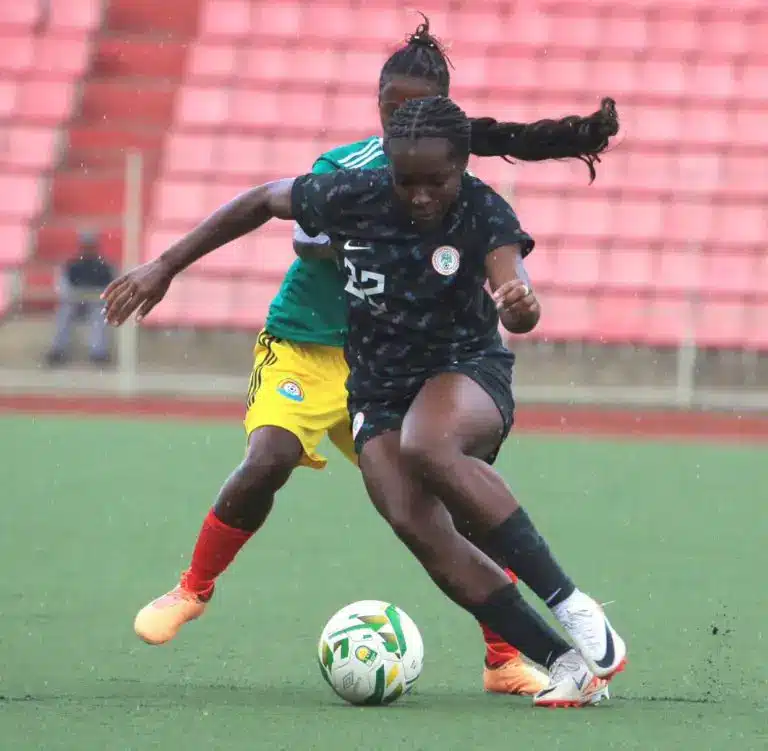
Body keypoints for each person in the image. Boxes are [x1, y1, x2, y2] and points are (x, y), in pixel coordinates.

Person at [111, 18, 616, 698]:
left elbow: (501, 265)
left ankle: (518, 652)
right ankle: (192, 587)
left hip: (403, 365)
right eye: (390, 109)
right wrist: (168, 264)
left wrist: (501, 290)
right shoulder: (352, 179)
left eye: (412, 112)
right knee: (275, 460)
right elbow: (288, 220)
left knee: (448, 498)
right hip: (311, 346)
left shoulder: (454, 189)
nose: (398, 123)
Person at [46, 230, 114, 366]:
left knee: (99, 314)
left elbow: (110, 289)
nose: (88, 248)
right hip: (75, 302)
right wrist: (76, 295)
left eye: (91, 245)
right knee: (64, 312)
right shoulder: (72, 265)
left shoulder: (104, 266)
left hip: (96, 303)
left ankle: (98, 353)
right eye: (86, 245)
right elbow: (63, 287)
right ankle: (58, 350)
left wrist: (96, 296)